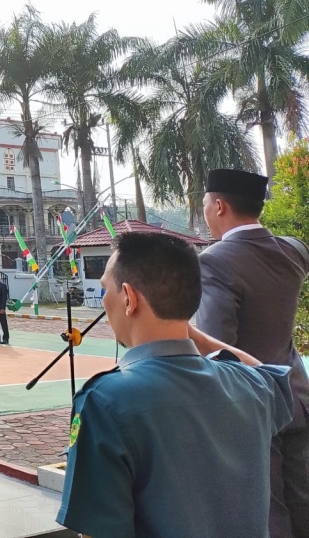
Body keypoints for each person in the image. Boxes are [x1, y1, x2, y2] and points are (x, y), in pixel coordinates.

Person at [57, 231, 294, 538]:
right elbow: (267, 374)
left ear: (128, 298)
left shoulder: (104, 401)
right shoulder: (250, 385)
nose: (104, 300)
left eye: (106, 289)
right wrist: (187, 330)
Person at [194, 168, 309, 538]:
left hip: (252, 403)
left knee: (267, 511)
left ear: (220, 206)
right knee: (304, 500)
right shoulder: (294, 250)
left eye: (205, 205)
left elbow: (217, 351)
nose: (205, 214)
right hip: (297, 394)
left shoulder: (214, 261)